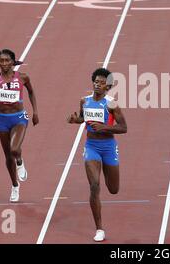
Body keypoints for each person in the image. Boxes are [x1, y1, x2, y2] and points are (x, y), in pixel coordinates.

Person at [67, 68, 127, 242]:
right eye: (96, 81)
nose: (98, 85)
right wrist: (74, 120)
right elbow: (82, 118)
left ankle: (109, 179)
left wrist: (105, 127)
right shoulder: (84, 101)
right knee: (94, 186)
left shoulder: (111, 104)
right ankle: (99, 228)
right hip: (91, 146)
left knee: (113, 189)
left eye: (102, 83)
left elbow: (124, 128)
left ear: (108, 86)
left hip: (108, 147)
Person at [0, 49, 39, 202]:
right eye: (1, 60)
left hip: (19, 118)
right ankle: (15, 186)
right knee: (8, 156)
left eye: (7, 60)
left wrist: (35, 112)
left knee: (15, 149)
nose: (4, 63)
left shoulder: (23, 77)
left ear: (13, 62)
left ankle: (20, 161)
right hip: (2, 119)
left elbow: (32, 93)